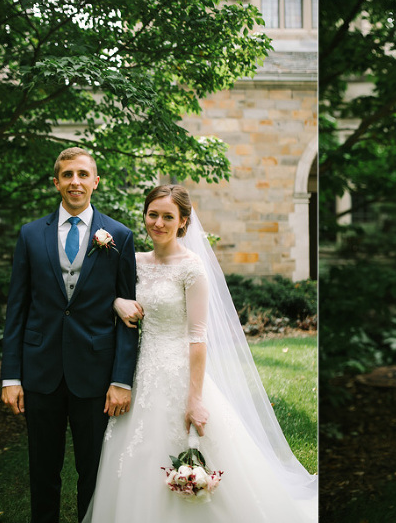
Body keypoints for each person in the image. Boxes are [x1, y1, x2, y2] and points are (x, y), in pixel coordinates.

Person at [83, 184, 317, 522]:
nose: (158, 223)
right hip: (139, 369)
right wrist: (117, 302)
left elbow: (197, 337)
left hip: (179, 371)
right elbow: (99, 296)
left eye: (168, 217)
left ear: (183, 222)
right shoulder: (133, 262)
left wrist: (194, 399)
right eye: (152, 215)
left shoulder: (191, 268)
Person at [1, 147, 139, 523]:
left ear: (96, 181)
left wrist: (121, 380)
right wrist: (11, 376)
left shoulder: (119, 236)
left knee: (93, 472)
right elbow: (17, 309)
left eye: (82, 174)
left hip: (96, 373)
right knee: (42, 470)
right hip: (40, 371)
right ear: (56, 183)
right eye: (67, 175)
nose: (75, 182)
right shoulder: (31, 234)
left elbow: (129, 316)